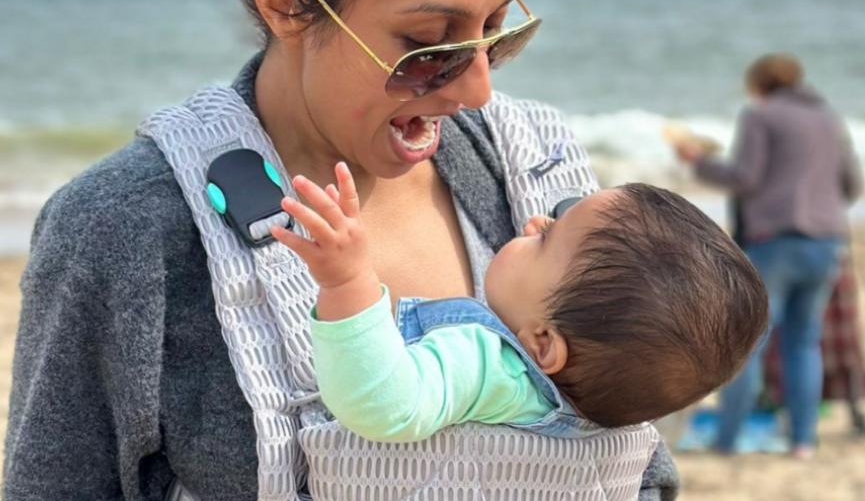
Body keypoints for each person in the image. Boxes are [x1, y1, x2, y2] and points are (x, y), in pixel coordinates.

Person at [2, 0, 682, 498]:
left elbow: (641, 474)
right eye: (428, 46)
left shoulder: (538, 169)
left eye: (497, 31)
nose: (477, 88)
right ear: (285, 3)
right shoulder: (125, 231)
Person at [272, 164, 768, 440]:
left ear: (543, 344)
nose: (535, 221)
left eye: (547, 238)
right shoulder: (601, 419)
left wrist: (348, 281)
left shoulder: (490, 365)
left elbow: (384, 406)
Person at [673, 53, 863, 459]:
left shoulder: (759, 116)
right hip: (826, 240)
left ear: (757, 84)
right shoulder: (828, 117)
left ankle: (727, 439)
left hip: (775, 240)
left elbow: (745, 177)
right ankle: (803, 441)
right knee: (804, 342)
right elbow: (851, 183)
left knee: (748, 342)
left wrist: (699, 162)